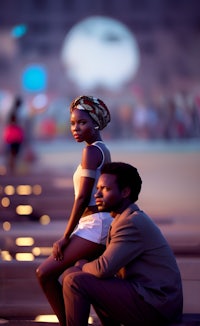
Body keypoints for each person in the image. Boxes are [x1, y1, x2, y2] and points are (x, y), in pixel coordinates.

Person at [62, 162, 183, 326]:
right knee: (73, 273)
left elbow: (103, 268)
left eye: (106, 189)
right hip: (147, 297)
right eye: (97, 188)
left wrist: (83, 265)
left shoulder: (131, 223)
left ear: (125, 192)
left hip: (157, 306)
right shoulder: (123, 218)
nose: (97, 194)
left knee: (75, 281)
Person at [36, 95, 112, 326]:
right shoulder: (100, 149)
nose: (75, 128)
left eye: (82, 122)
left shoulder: (91, 152)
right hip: (95, 224)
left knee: (44, 273)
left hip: (94, 225)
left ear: (95, 123)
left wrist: (65, 237)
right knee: (76, 277)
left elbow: (81, 198)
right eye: (72, 123)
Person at [3, 96, 24, 174]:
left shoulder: (14, 111)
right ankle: (12, 167)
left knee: (13, 152)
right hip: (14, 135)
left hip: (14, 135)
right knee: (13, 152)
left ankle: (12, 167)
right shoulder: (15, 112)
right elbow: (12, 122)